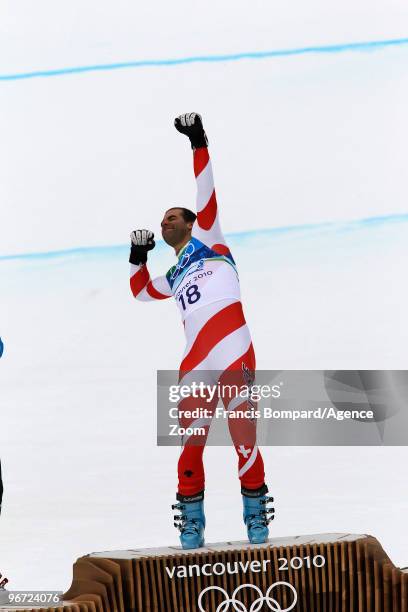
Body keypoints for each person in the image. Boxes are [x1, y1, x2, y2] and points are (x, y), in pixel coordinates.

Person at [129, 113, 274, 549]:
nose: (164, 223)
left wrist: (198, 140)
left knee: (242, 436)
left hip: (232, 348)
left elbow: (205, 189)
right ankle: (192, 522)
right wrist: (138, 256)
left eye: (172, 217)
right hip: (195, 360)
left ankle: (255, 513)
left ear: (192, 223)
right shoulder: (174, 274)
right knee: (191, 444)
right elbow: (140, 292)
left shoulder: (210, 237)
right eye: (162, 221)